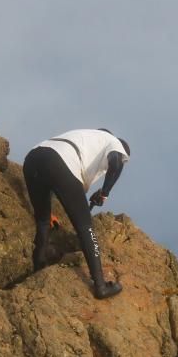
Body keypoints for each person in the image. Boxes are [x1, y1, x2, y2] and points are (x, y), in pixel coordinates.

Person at [22, 128, 129, 299]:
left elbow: (53, 173)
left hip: (33, 159)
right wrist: (105, 192)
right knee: (85, 227)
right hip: (58, 163)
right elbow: (116, 162)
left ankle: (39, 266)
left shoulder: (86, 139)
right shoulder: (113, 141)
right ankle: (100, 286)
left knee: (43, 219)